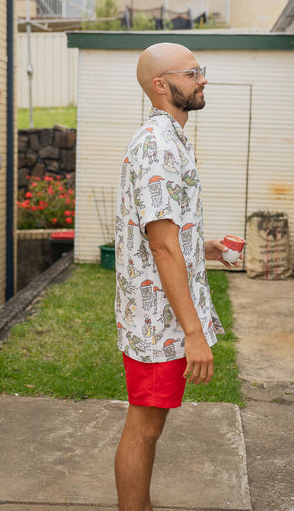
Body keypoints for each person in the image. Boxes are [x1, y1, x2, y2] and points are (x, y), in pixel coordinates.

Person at [114, 42, 231, 511]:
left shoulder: (170, 139)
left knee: (150, 426)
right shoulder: (157, 147)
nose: (203, 79)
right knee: (144, 428)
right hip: (157, 323)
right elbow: (161, 247)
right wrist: (193, 333)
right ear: (162, 86)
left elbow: (162, 237)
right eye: (193, 72)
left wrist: (203, 248)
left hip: (159, 316)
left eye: (201, 70)